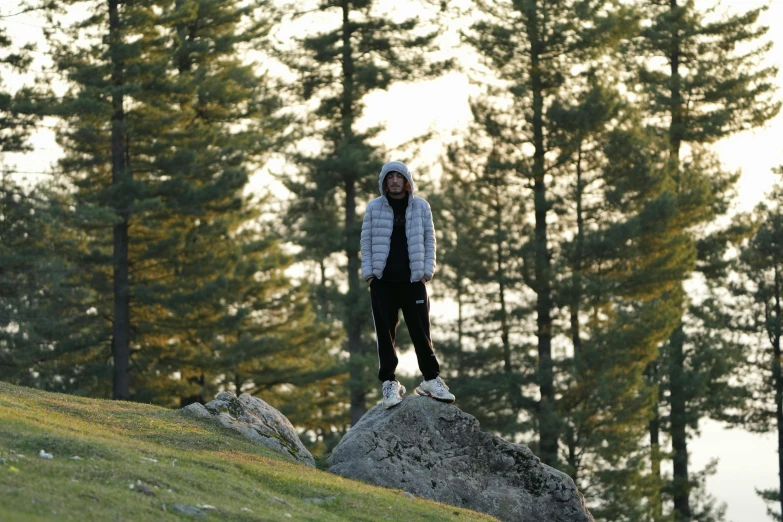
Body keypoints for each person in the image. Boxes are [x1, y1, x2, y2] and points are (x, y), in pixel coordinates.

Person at [360, 160, 455, 409]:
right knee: (385, 334)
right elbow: (366, 241)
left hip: (413, 281)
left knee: (421, 332)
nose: (394, 181)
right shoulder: (374, 208)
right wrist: (370, 274)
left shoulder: (421, 207)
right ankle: (390, 383)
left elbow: (429, 238)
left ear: (407, 181)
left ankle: (431, 380)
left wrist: (426, 271)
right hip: (383, 282)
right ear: (383, 182)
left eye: (398, 177)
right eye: (389, 177)